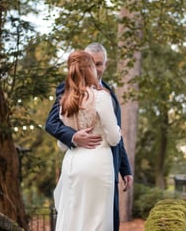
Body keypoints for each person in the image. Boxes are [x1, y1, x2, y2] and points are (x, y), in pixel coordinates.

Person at [45, 43, 133, 231]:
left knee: (102, 220)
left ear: (105, 64)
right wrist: (74, 136)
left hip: (107, 165)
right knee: (93, 221)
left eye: (100, 63)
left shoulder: (110, 91)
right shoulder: (66, 90)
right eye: (93, 63)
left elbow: (118, 134)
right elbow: (51, 124)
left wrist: (125, 169)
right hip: (93, 164)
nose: (97, 68)